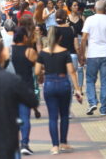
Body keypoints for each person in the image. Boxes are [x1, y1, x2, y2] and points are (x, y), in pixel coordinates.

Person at [35, 27, 82, 155]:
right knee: (64, 115)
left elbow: (37, 71)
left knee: (52, 117)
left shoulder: (43, 53)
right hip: (63, 84)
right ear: (60, 38)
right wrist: (77, 90)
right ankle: (64, 143)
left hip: (49, 84)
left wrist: (45, 71)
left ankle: (55, 146)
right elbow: (71, 71)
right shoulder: (65, 52)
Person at [81, 0, 106, 116]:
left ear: (94, 8)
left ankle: (92, 102)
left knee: (90, 79)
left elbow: (83, 39)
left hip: (92, 55)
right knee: (105, 81)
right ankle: (104, 109)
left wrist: (81, 54)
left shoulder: (89, 20)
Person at [10, 27, 38, 155]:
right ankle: (24, 144)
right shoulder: (30, 51)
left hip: (11, 87)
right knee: (25, 117)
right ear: (25, 38)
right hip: (26, 87)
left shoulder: (9, 50)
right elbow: (37, 68)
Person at [55, 9, 81, 91]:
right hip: (72, 56)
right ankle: (72, 89)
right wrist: (80, 57)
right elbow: (77, 46)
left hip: (59, 56)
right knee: (72, 75)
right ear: (66, 17)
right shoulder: (72, 29)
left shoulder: (54, 30)